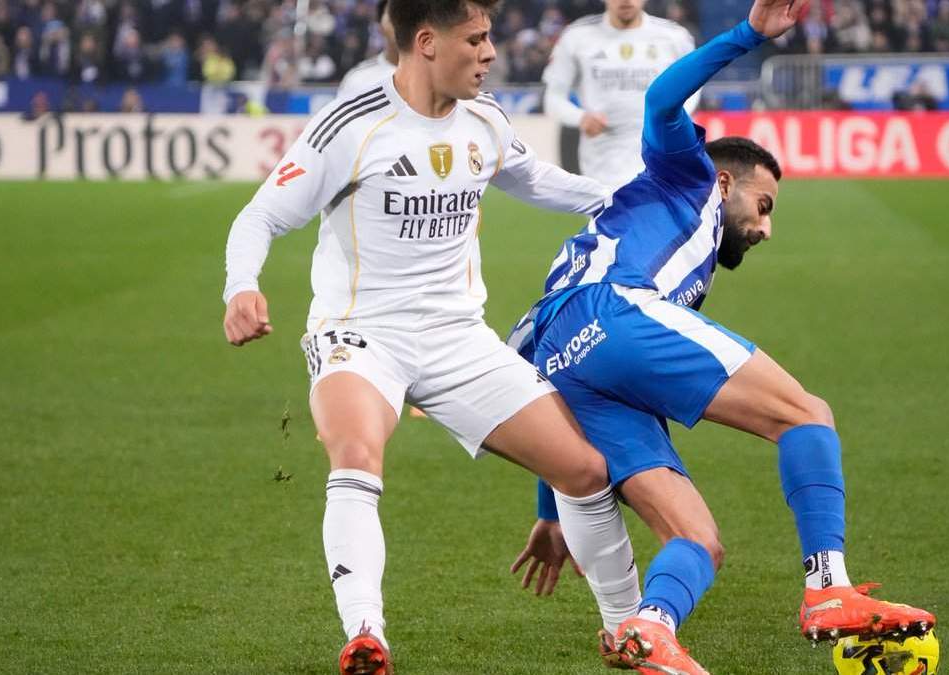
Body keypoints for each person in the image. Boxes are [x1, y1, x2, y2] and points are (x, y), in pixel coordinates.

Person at [507, 1, 936, 672]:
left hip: (563, 357)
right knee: (805, 413)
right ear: (727, 180)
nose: (765, 228)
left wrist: (552, 507)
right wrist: (748, 35)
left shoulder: (676, 257)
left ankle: (652, 627)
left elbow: (555, 385)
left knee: (699, 540)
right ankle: (828, 589)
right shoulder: (689, 173)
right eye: (764, 207)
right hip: (613, 311)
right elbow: (661, 97)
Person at [220, 1, 641, 673]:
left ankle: (631, 634)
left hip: (457, 338)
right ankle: (366, 635)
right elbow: (262, 213)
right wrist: (241, 285)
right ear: (426, 43)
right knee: (356, 452)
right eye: (475, 39)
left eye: (489, 37)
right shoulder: (352, 126)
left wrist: (623, 200)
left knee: (586, 470)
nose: (491, 53)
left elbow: (537, 179)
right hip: (361, 332)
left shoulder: (486, 121)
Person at [543, 0, 698, 189]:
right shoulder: (576, 37)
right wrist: (581, 118)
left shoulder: (675, 37)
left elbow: (693, 87)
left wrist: (670, 118)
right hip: (601, 166)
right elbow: (553, 99)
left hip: (660, 159)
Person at [337, 0, 398, 97]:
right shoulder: (358, 79)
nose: (402, 25)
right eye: (394, 18)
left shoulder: (428, 73)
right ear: (380, 26)